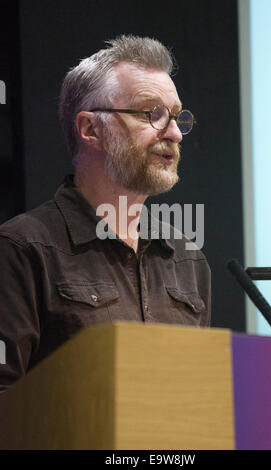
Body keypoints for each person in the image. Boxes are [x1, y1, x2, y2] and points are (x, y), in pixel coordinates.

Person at [0, 35, 211, 391]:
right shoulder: (22, 249)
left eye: (176, 117)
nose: (174, 133)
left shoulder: (187, 259)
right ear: (90, 129)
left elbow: (199, 398)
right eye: (152, 114)